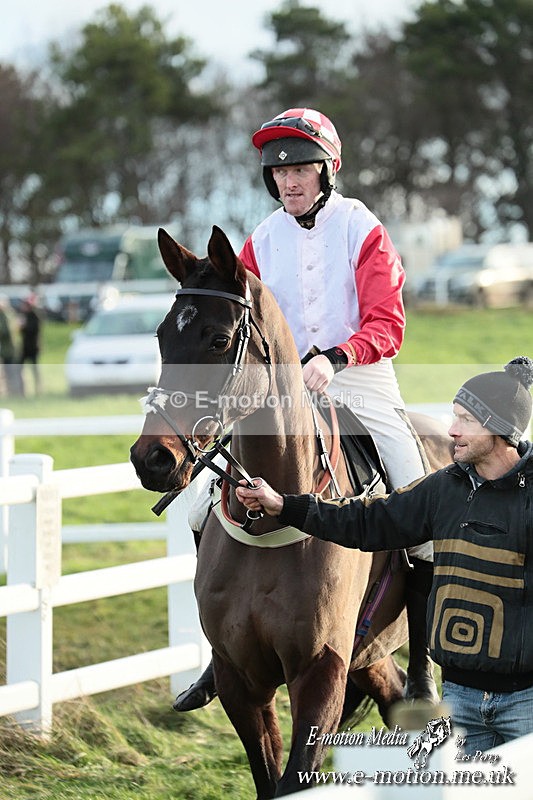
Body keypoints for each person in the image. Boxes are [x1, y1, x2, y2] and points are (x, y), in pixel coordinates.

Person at [175, 107, 436, 711]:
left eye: (301, 170)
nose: (289, 181)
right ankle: (222, 653)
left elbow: (387, 323)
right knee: (197, 503)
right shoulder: (261, 240)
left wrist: (338, 357)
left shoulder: (362, 228)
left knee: (415, 495)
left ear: (327, 171)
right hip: (283, 390)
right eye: (279, 172)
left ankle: (420, 669)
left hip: (359, 378)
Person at [236, 357, 533, 756]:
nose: (452, 429)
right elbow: (367, 520)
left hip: (525, 701)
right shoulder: (443, 489)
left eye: (466, 420)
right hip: (460, 696)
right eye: (454, 416)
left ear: (499, 429)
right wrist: (283, 505)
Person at [19, 293, 42, 395]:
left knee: (35, 370)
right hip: (25, 348)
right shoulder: (24, 315)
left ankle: (38, 390)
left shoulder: (35, 316)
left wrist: (23, 326)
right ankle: (22, 390)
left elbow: (33, 330)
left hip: (33, 347)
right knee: (20, 369)